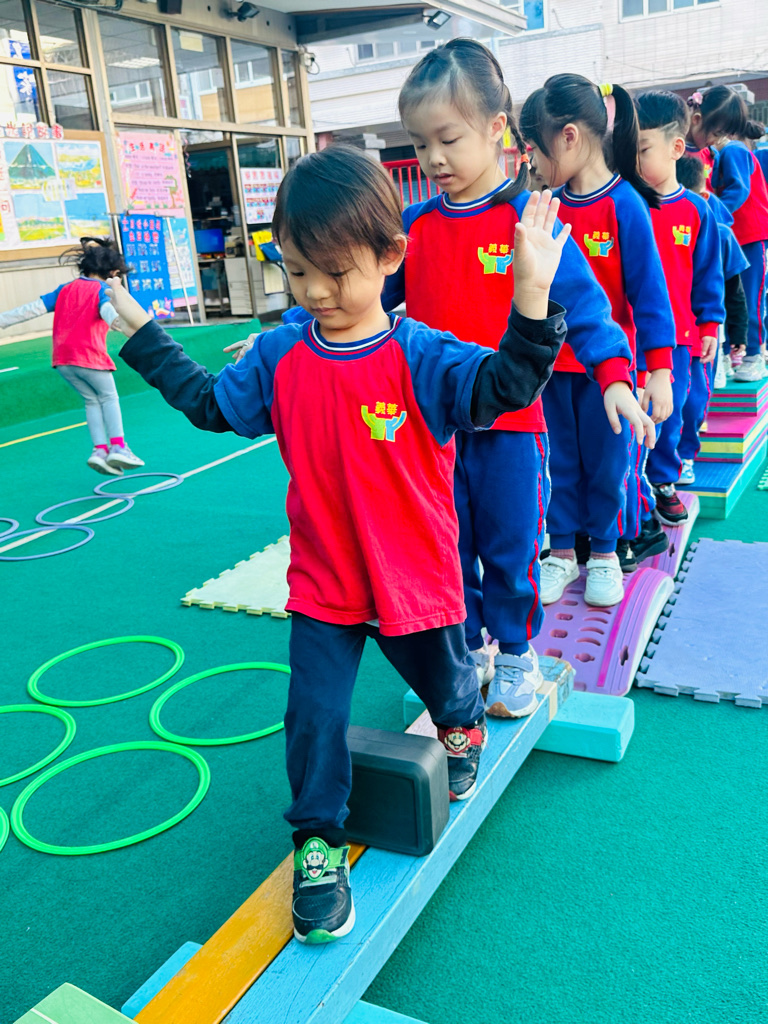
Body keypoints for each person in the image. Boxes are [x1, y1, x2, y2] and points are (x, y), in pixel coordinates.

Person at [106, 146, 571, 945]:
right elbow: (213, 406)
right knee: (313, 717)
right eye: (296, 272)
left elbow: (506, 387)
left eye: (335, 272)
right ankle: (317, 844)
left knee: (446, 683)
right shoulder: (282, 355)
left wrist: (530, 299)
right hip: (324, 582)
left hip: (414, 576)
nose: (316, 291)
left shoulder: (421, 355)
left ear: (390, 256)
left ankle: (462, 722)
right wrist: (148, 337)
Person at [383, 39, 654, 719]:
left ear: (496, 129)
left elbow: (584, 304)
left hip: (512, 427)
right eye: (420, 144)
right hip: (437, 430)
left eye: (448, 139)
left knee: (509, 547)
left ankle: (515, 652)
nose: (433, 159)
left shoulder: (528, 219)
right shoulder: (415, 229)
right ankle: (470, 644)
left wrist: (615, 377)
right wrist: (294, 329)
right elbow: (361, 295)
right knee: (449, 545)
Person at [520, 75, 675, 580]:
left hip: (610, 371)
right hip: (552, 368)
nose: (531, 163)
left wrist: (659, 370)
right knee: (559, 463)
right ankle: (563, 552)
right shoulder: (546, 206)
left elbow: (650, 293)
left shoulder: (624, 203)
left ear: (568, 137)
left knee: (609, 464)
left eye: (534, 149)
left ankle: (607, 551)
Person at [0, 237, 143, 476]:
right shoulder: (101, 290)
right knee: (109, 397)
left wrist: (2, 320)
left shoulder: (64, 289)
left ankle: (99, 450)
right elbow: (106, 310)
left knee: (91, 400)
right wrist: (119, 323)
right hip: (90, 356)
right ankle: (118, 446)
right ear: (110, 272)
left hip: (63, 360)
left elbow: (30, 309)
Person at [687, 86, 768, 382]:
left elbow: (739, 190)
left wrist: (711, 213)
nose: (711, 137)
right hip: (732, 236)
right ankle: (731, 355)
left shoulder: (733, 150)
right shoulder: (716, 153)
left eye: (717, 131)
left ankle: (754, 355)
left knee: (750, 296)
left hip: (750, 236)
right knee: (730, 296)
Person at [676, 157, 748, 474]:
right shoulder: (653, 222)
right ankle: (669, 458)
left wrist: (739, 336)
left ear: (703, 197)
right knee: (671, 399)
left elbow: (734, 292)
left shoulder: (722, 235)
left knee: (696, 397)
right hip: (670, 331)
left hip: (705, 332)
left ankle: (686, 454)